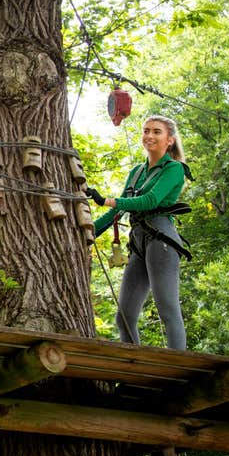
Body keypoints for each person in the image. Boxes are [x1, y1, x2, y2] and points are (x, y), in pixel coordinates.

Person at [87, 115, 189, 350]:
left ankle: (177, 368)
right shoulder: (136, 172)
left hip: (161, 240)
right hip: (139, 243)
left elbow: (150, 200)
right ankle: (133, 364)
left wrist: (107, 200)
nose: (149, 136)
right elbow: (120, 210)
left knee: (167, 309)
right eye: (146, 131)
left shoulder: (175, 169)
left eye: (156, 132)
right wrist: (89, 232)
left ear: (170, 140)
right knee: (125, 316)